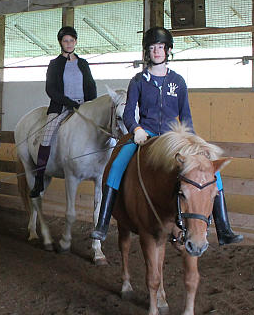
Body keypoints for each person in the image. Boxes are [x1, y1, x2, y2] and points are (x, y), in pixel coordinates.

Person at [90, 26, 243, 244]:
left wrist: (194, 142)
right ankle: (103, 224)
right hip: (147, 134)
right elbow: (129, 113)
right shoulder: (138, 80)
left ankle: (224, 227)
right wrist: (136, 129)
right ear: (147, 51)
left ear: (168, 50)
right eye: (152, 47)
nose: (156, 51)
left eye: (160, 47)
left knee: (211, 170)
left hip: (175, 138)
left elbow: (186, 116)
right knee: (116, 166)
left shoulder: (178, 81)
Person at [29, 25, 97, 197]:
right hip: (61, 107)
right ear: (61, 43)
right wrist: (68, 102)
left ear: (76, 42)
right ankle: (39, 178)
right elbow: (50, 89)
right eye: (65, 41)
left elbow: (91, 85)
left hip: (83, 107)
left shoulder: (83, 63)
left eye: (71, 41)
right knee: (46, 137)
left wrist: (90, 104)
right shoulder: (54, 64)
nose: (69, 44)